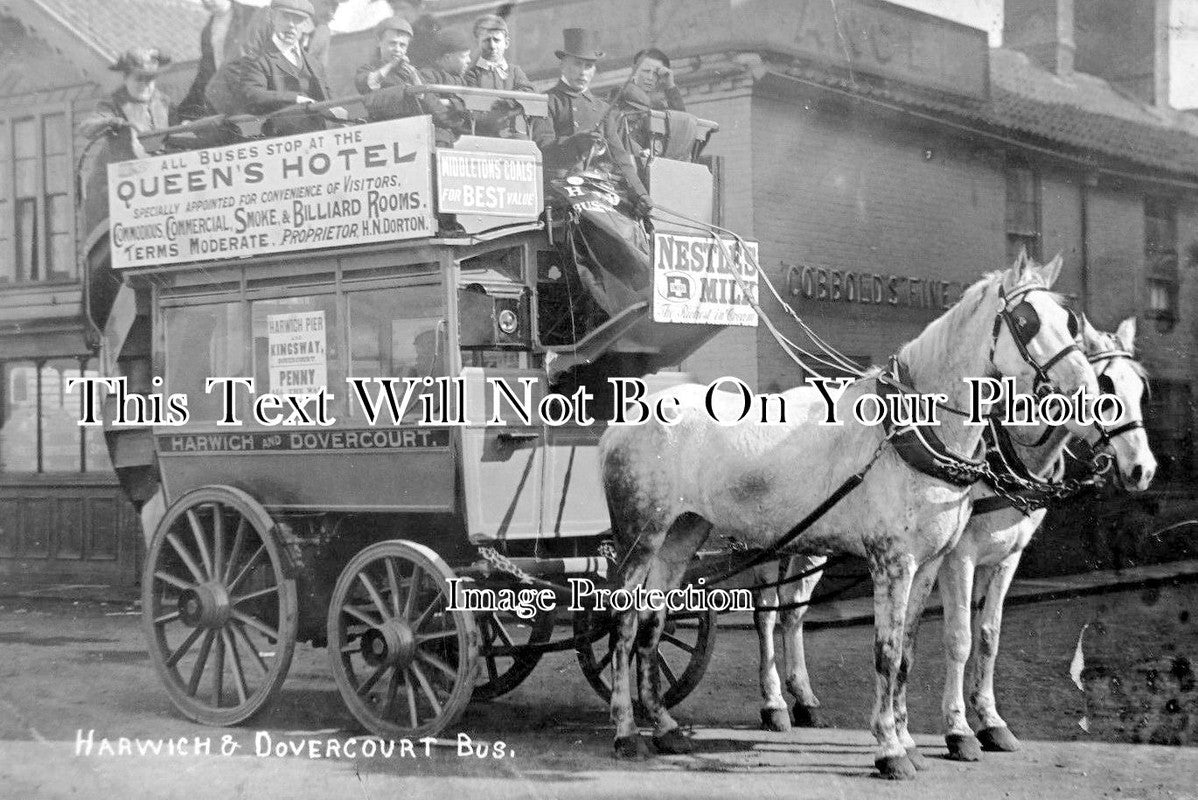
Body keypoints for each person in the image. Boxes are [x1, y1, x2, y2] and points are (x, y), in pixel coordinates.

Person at [532, 28, 652, 218]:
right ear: (563, 65)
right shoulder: (547, 101)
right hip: (557, 194)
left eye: (588, 66)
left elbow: (620, 158)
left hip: (597, 192)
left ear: (594, 70)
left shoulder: (602, 109)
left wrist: (641, 194)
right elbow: (543, 149)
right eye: (577, 64)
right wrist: (575, 144)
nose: (582, 72)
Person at [234, 0, 333, 135]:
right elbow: (252, 95)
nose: (291, 24)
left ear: (306, 25)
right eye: (285, 17)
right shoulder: (256, 60)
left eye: (298, 19)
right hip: (280, 138)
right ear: (272, 17)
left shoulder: (314, 64)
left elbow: (328, 98)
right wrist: (295, 99)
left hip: (319, 136)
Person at [178, 0, 260, 119]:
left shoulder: (253, 15)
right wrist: (185, 112)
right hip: (227, 97)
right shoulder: (207, 31)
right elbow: (206, 73)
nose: (207, 2)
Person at [79, 48, 178, 138]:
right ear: (125, 78)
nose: (144, 85)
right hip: (125, 152)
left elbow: (179, 128)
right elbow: (86, 128)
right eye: (139, 79)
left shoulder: (164, 102)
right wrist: (109, 122)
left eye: (149, 79)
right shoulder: (113, 103)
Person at [464, 14, 533, 138]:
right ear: (477, 44)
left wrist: (507, 102)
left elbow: (528, 92)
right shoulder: (472, 73)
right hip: (483, 135)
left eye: (496, 40)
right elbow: (475, 103)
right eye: (486, 40)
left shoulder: (514, 71)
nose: (492, 46)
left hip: (512, 134)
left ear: (506, 43)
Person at [354, 15, 424, 121]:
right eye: (392, 43)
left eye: (402, 45)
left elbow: (424, 98)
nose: (397, 49)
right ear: (379, 42)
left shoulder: (411, 73)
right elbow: (369, 84)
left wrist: (414, 76)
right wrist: (391, 65)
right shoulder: (367, 69)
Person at [418, 28, 475, 145]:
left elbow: (471, 107)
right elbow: (434, 108)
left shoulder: (462, 80)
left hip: (460, 133)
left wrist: (450, 103)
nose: (469, 60)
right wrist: (458, 106)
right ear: (448, 57)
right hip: (439, 134)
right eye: (464, 56)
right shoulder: (427, 76)